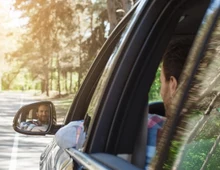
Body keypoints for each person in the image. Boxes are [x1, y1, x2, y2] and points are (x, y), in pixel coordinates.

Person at [55, 38, 192, 168]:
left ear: (173, 85)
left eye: (162, 82)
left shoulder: (148, 129)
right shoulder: (210, 138)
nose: (162, 92)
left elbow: (64, 135)